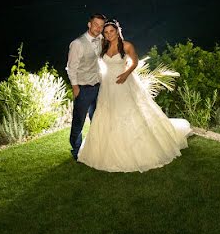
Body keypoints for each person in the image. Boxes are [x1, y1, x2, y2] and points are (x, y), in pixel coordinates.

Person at [77, 19, 191, 172]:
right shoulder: (103, 47)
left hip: (124, 83)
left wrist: (125, 74)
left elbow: (135, 62)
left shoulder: (127, 45)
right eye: (106, 32)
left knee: (129, 112)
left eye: (111, 31)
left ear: (117, 31)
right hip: (108, 86)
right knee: (106, 113)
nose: (109, 34)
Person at [67, 13, 106, 160]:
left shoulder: (101, 39)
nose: (98, 28)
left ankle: (95, 147)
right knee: (79, 121)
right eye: (96, 24)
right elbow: (71, 68)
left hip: (98, 86)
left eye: (101, 26)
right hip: (83, 89)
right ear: (89, 24)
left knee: (96, 119)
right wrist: (75, 88)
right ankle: (76, 150)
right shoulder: (77, 44)